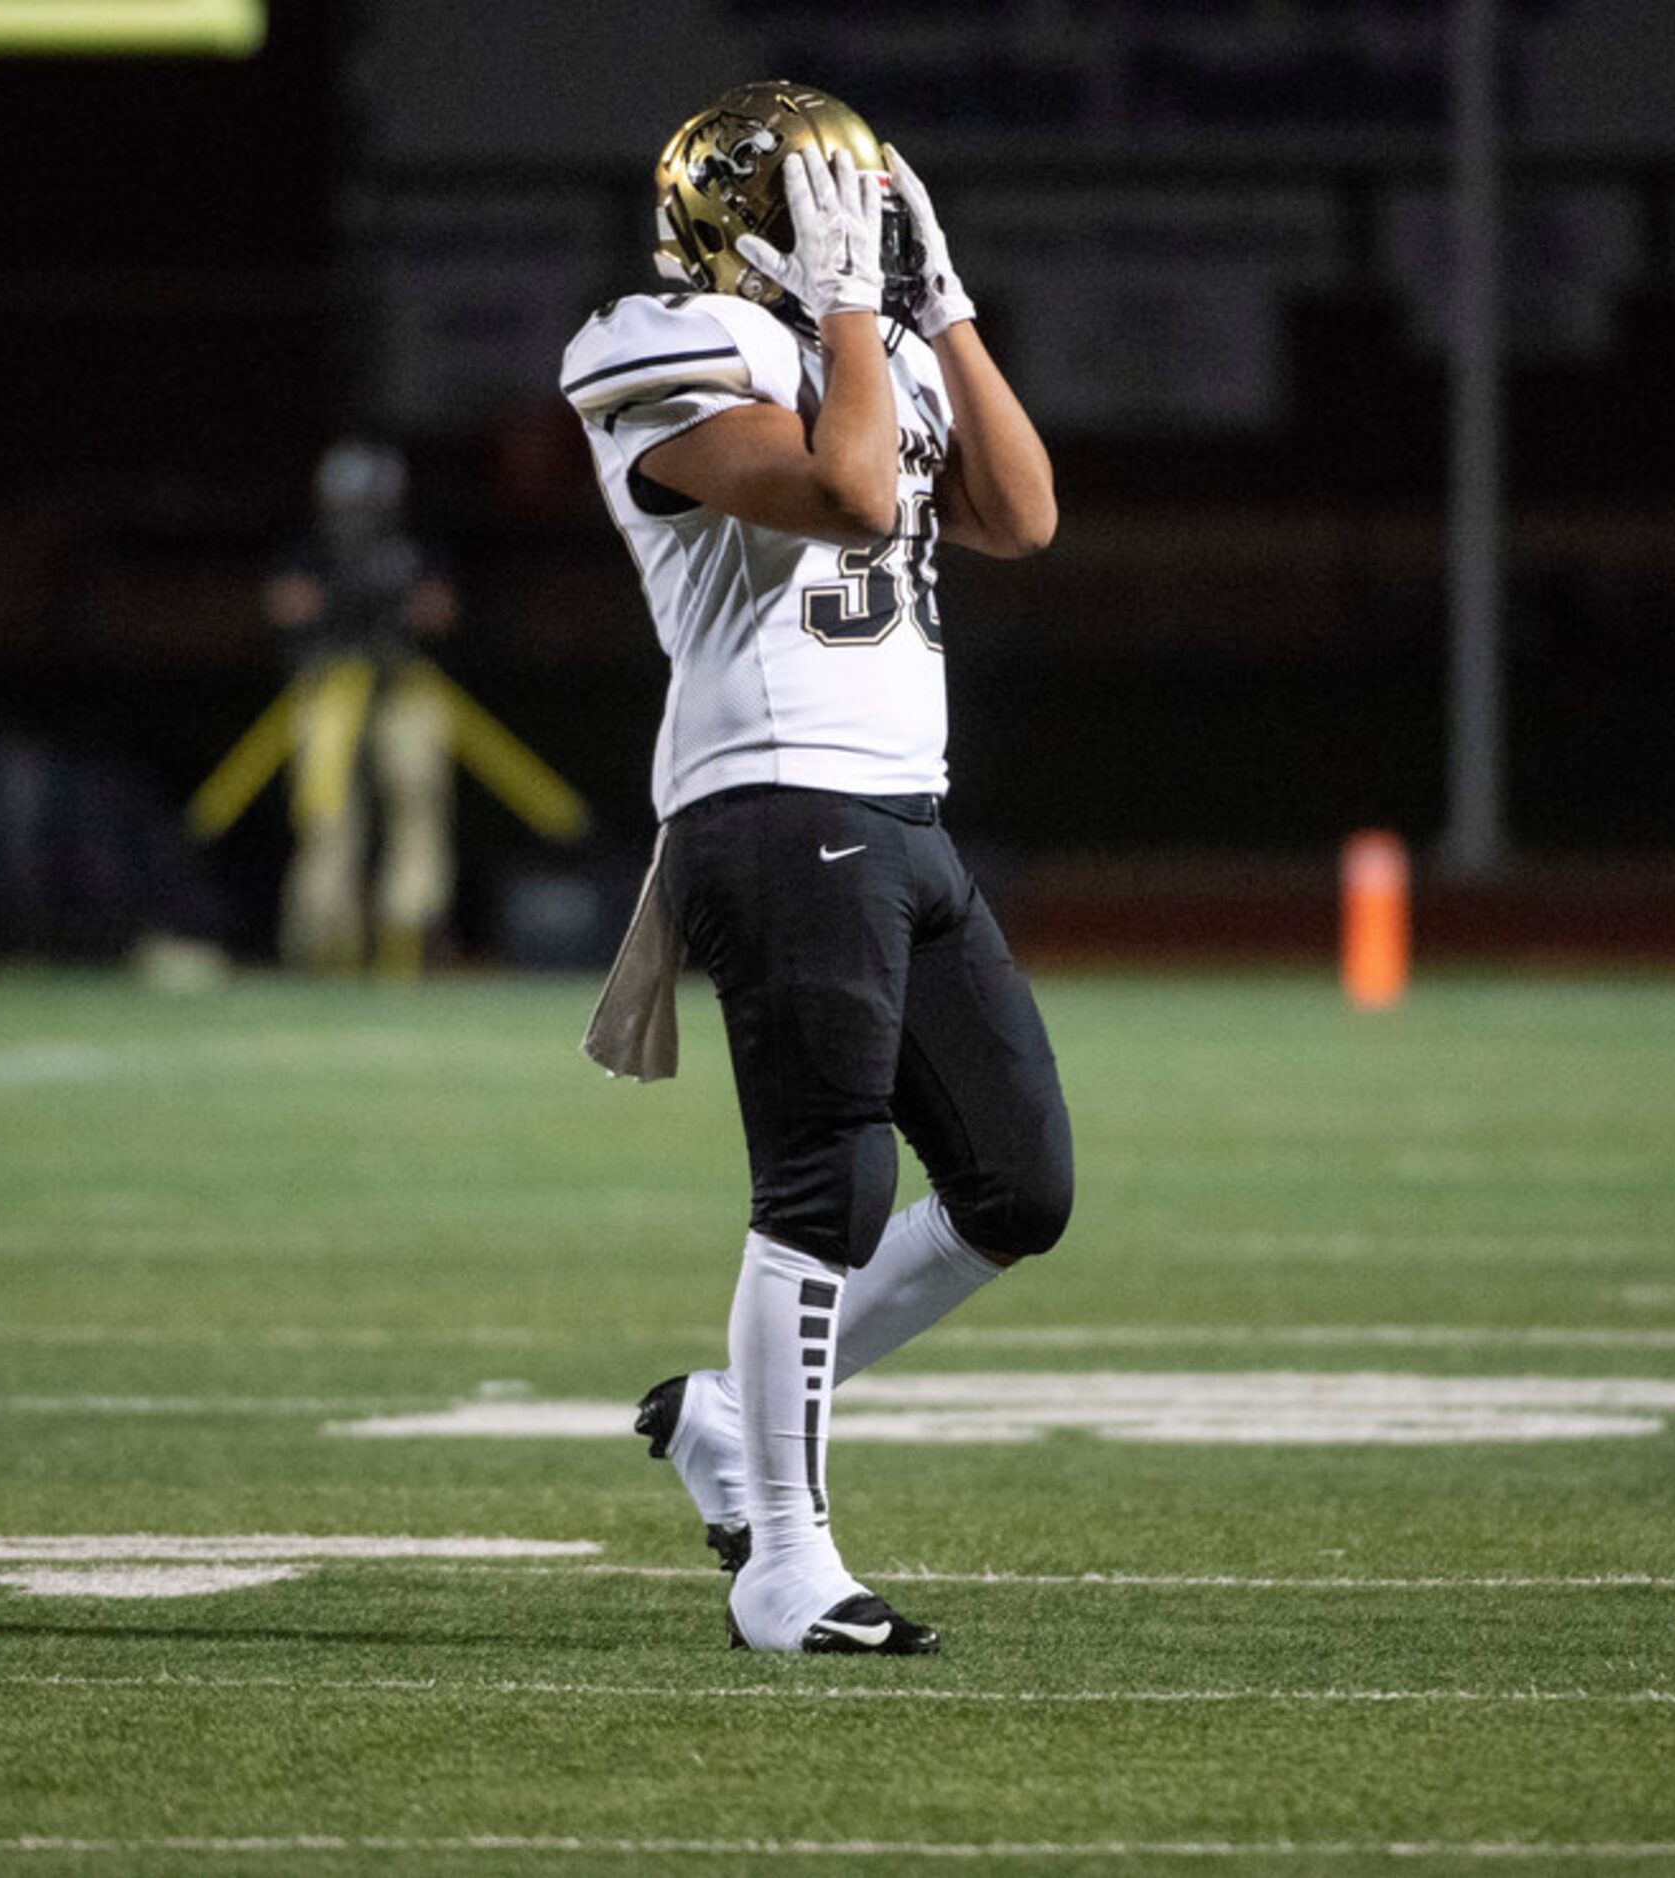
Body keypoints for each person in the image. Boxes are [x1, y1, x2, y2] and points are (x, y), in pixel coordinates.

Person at [561, 81, 1073, 1655]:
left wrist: (947, 306)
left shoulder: (883, 339)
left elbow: (1024, 515)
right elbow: (848, 490)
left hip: (902, 809)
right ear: (736, 223)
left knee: (1014, 1185)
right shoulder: (650, 343)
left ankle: (728, 1413)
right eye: (817, 200)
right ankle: (784, 1556)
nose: (843, 226)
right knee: (828, 1182)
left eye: (856, 197)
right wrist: (856, 313)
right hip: (772, 801)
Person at [262, 439, 459, 975]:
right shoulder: (313, 549)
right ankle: (324, 939)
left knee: (417, 795)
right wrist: (334, 603)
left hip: (403, 683)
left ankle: (409, 930)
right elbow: (284, 604)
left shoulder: (410, 551)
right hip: (330, 685)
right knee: (326, 813)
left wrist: (397, 603)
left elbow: (440, 610)